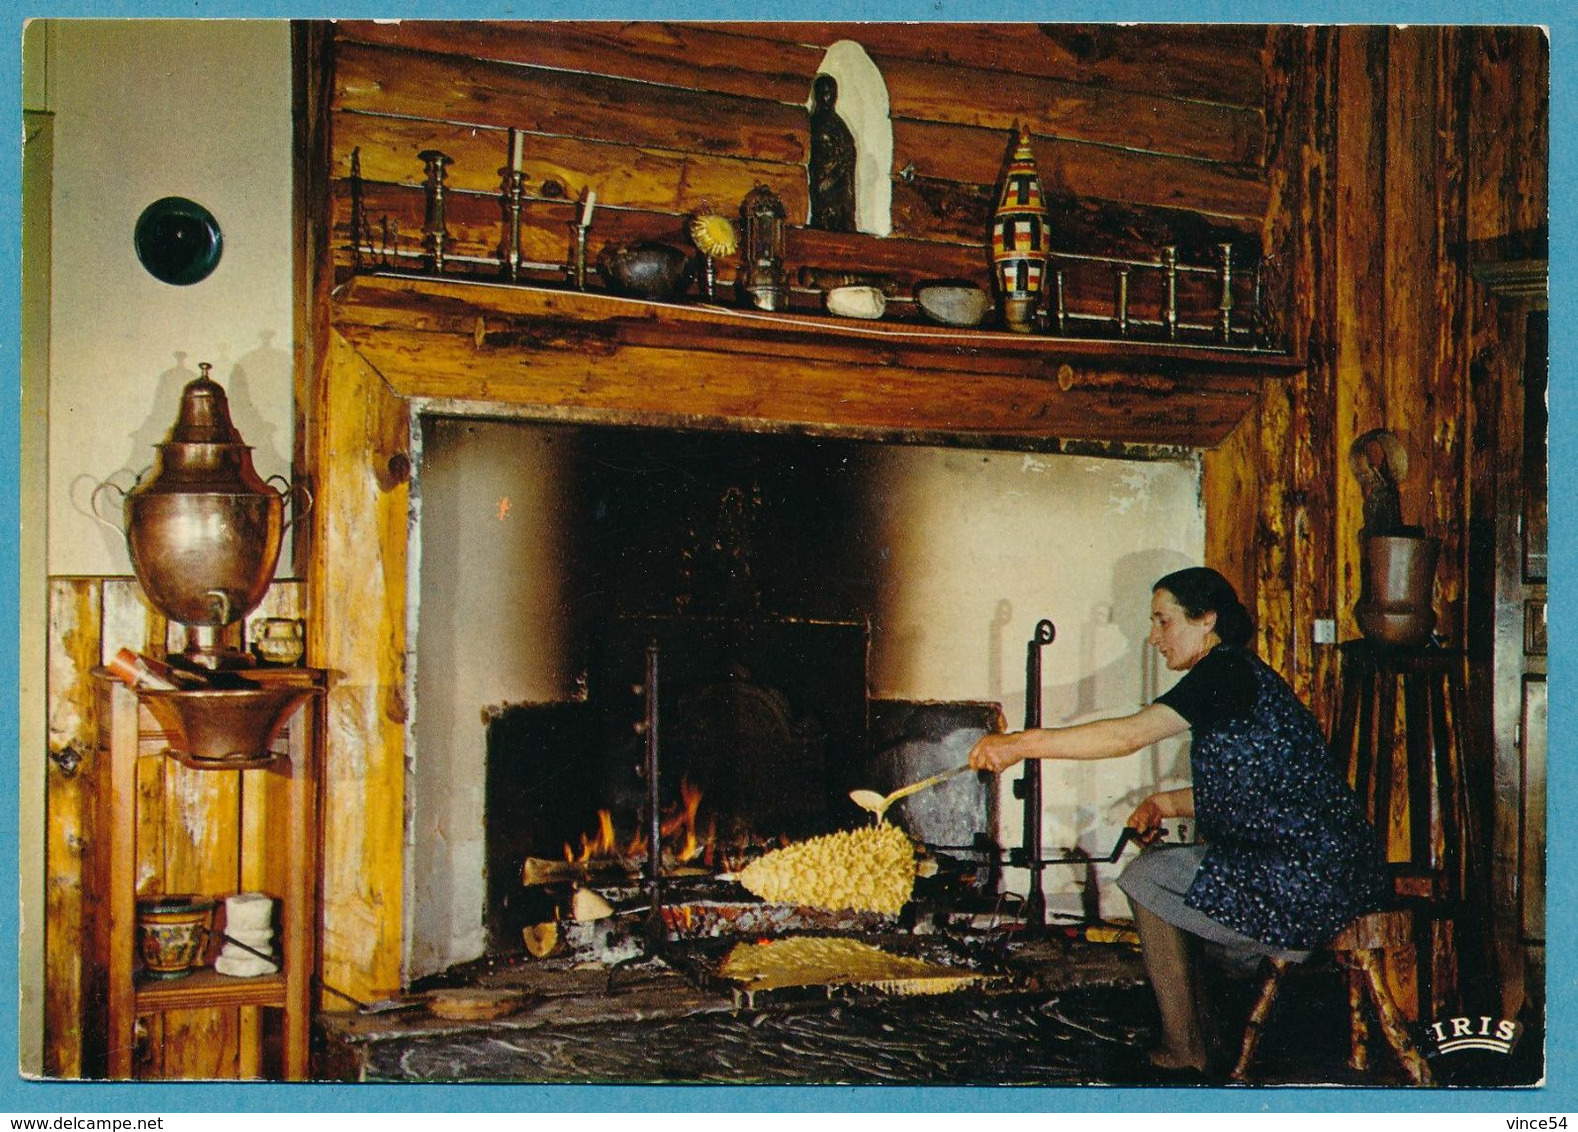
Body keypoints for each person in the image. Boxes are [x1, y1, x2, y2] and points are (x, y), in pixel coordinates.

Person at [968, 566, 1386, 1074]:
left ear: (1206, 618)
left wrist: (1019, 745)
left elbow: (1126, 737)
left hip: (1314, 878)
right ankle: (1204, 1036)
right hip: (1325, 866)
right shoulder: (1238, 674)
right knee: (1168, 873)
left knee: (1147, 877)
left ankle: (1186, 1049)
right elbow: (1252, 791)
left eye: (1162, 621)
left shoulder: (1225, 673)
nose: (1153, 637)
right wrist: (1165, 803)